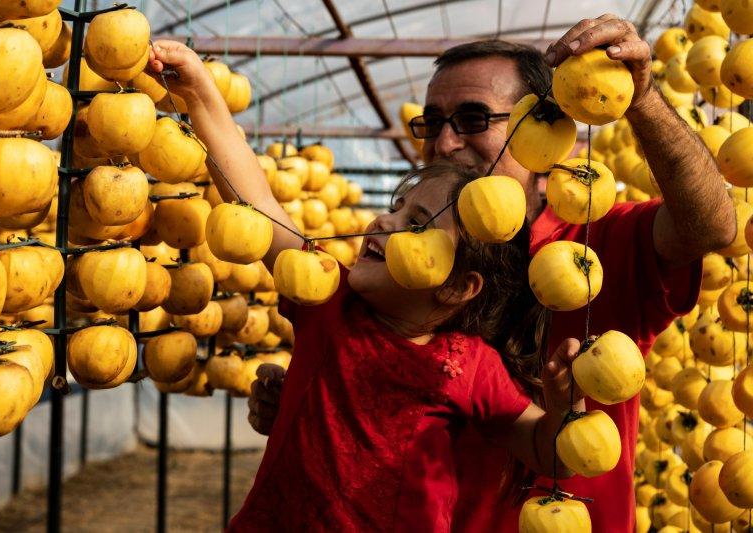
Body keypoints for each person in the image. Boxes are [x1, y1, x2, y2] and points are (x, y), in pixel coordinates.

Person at [247, 13, 736, 533]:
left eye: (475, 119)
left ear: (550, 129)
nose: (446, 144)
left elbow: (711, 227)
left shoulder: (598, 242)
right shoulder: (407, 264)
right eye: (432, 123)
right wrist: (306, 400)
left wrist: (641, 99)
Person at [149, 40, 592, 531]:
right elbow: (255, 203)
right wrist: (200, 93)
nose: (384, 220)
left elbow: (548, 454)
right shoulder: (329, 303)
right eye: (397, 207)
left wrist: (565, 402)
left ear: (457, 288)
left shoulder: (468, 366)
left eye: (416, 223)